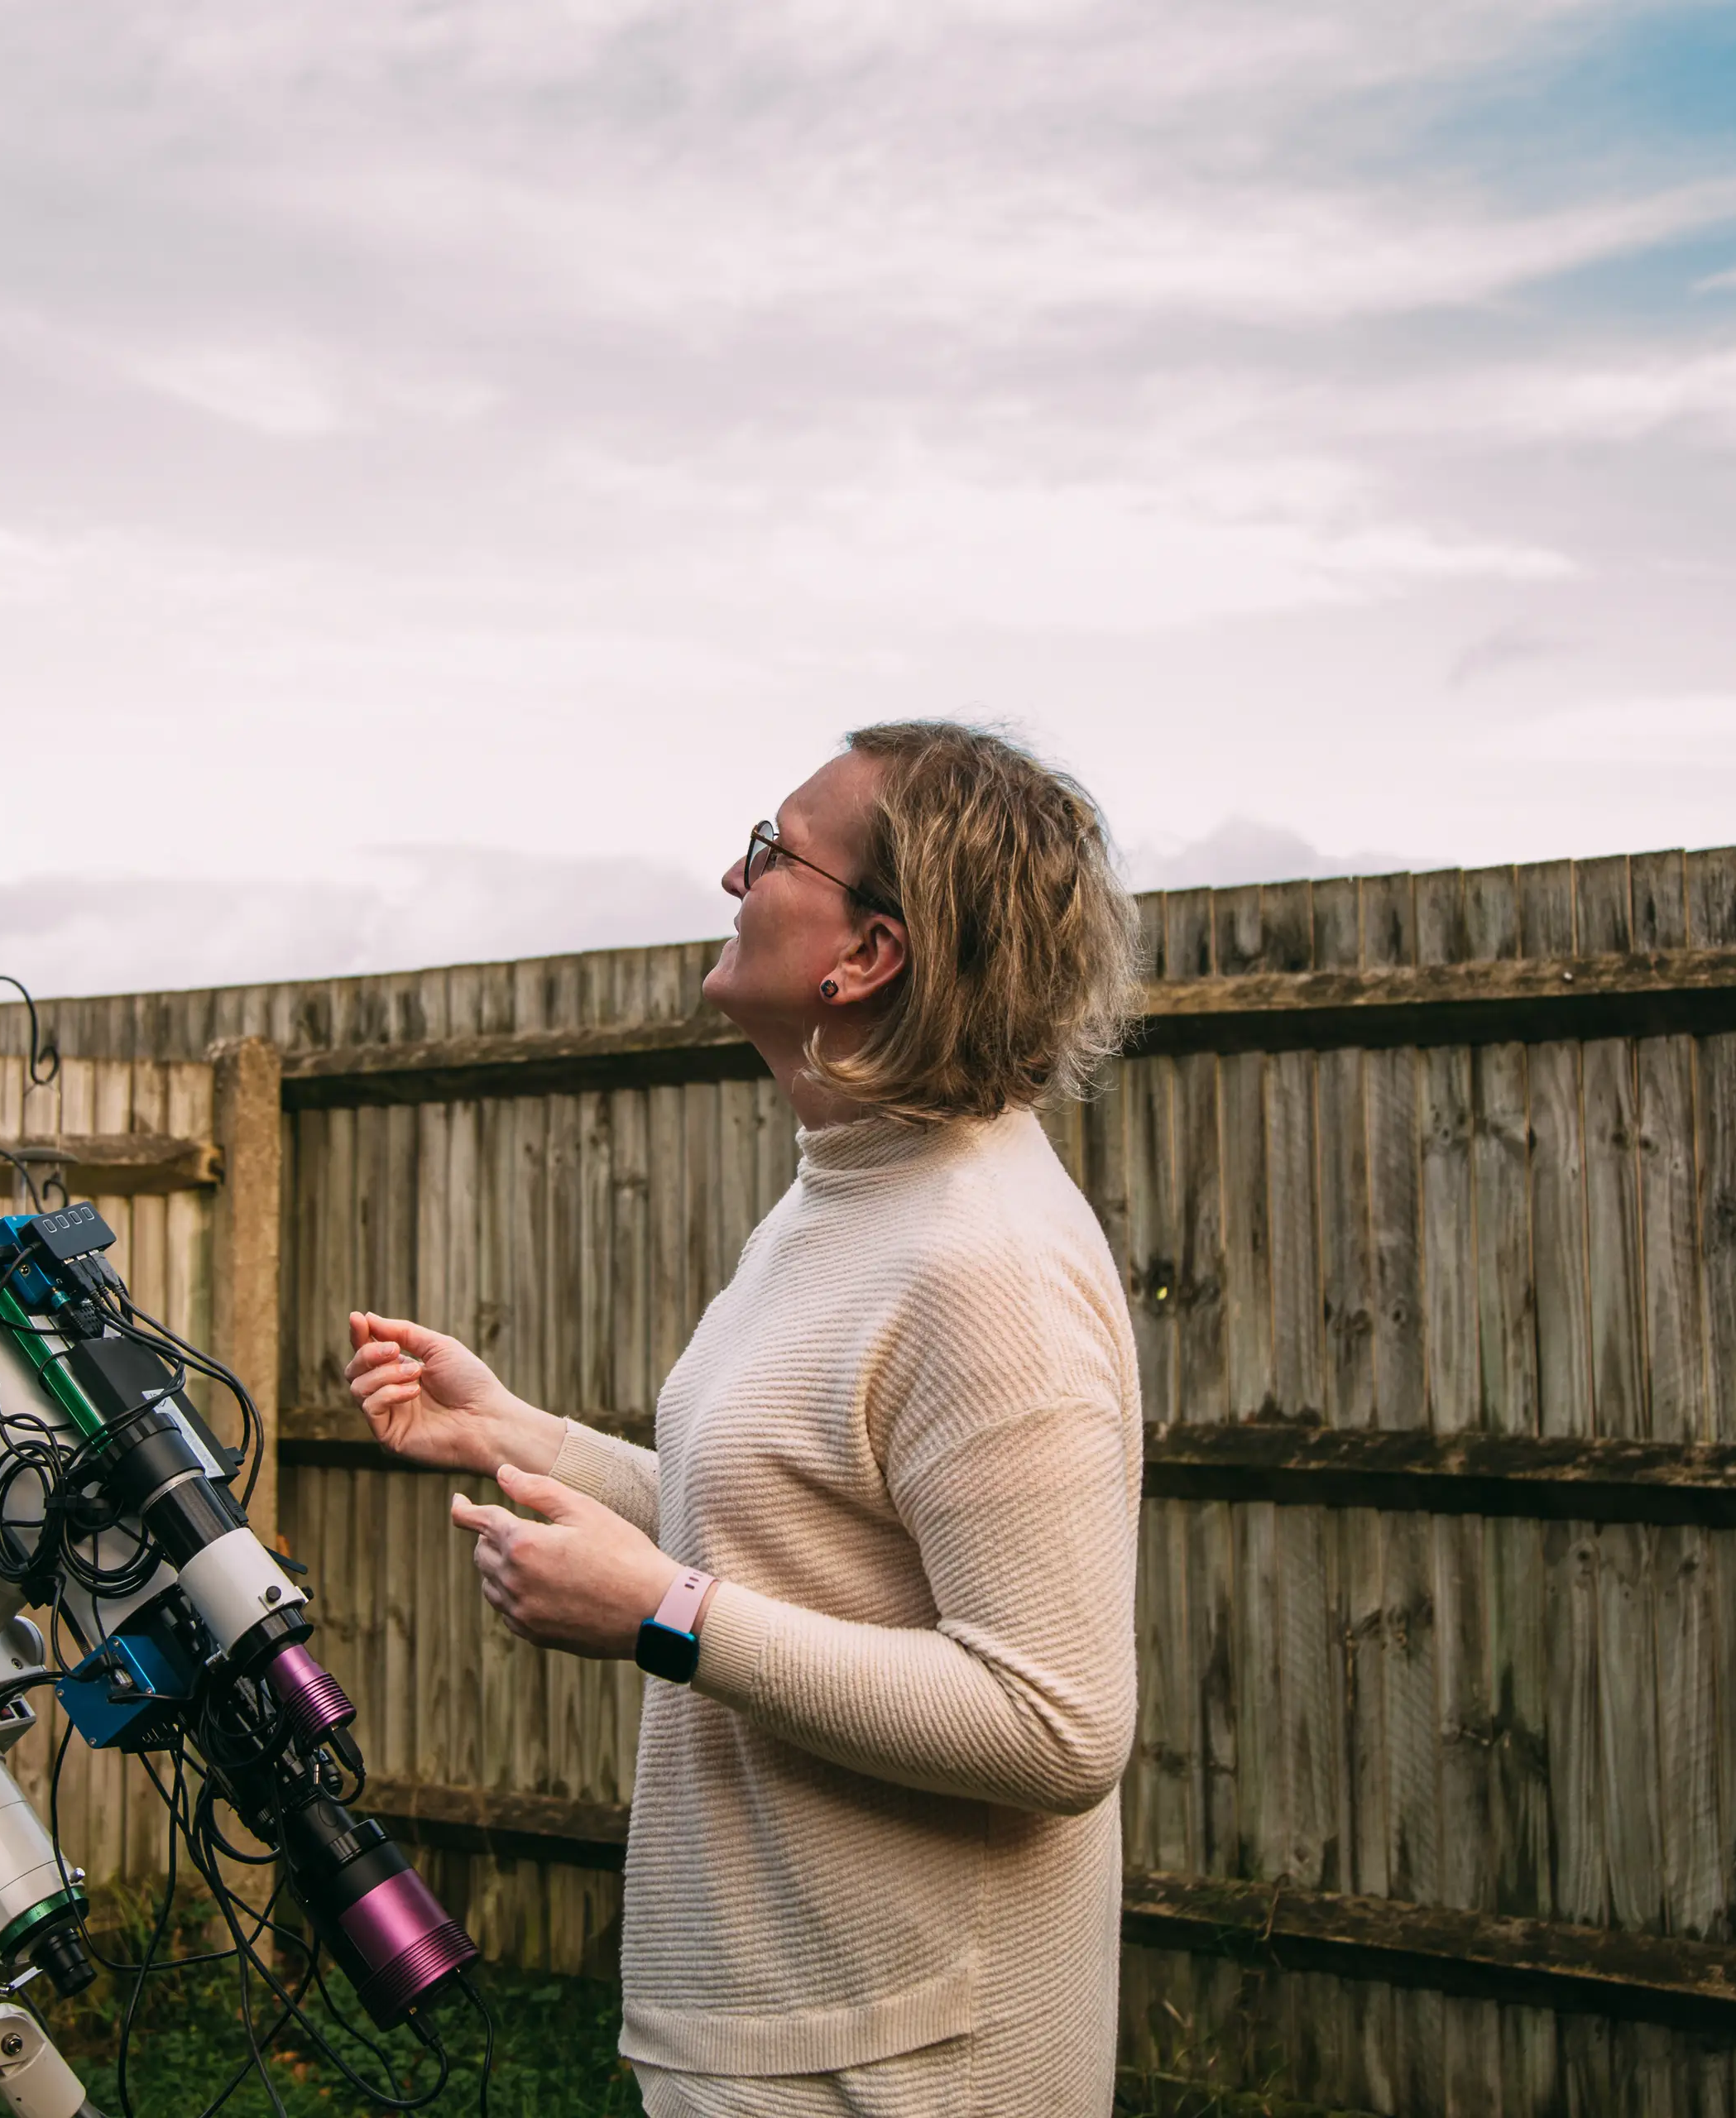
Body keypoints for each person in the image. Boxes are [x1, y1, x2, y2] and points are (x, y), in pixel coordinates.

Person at [344, 721, 1144, 2116]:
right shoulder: (849, 1189)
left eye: (774, 851)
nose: (733, 875)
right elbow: (791, 1526)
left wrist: (667, 1617)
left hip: (906, 2065)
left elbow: (1055, 1724)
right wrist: (516, 1437)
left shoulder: (989, 1263)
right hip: (789, 2022)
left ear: (869, 953)